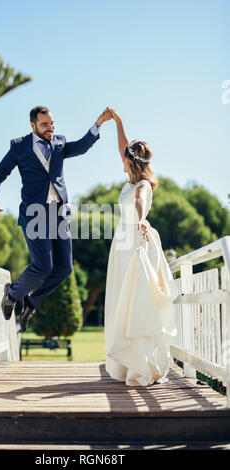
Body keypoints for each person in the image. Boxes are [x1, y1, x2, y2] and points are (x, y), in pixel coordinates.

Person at [0, 105, 112, 332]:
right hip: (35, 214)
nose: (50, 128)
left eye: (52, 123)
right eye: (45, 125)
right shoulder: (19, 146)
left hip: (60, 214)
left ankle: (31, 303)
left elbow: (82, 147)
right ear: (32, 125)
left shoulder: (59, 143)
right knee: (43, 266)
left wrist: (98, 124)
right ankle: (12, 294)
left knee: (64, 268)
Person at [104, 107, 177, 386]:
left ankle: (141, 363)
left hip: (136, 241)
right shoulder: (130, 178)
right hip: (122, 244)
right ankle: (126, 363)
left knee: (137, 302)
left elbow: (140, 201)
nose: (121, 160)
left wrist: (143, 219)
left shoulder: (143, 185)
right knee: (123, 300)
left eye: (124, 159)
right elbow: (124, 146)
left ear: (131, 163)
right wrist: (118, 122)